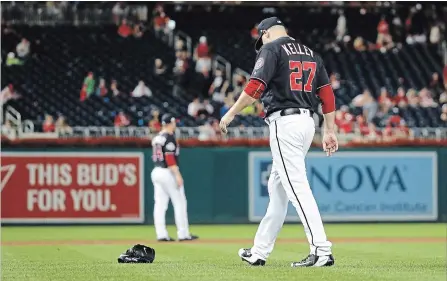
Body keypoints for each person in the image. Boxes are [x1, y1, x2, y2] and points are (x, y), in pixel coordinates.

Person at [219, 17, 337, 267]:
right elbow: (326, 94)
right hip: (307, 123)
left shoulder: (271, 48)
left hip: (285, 124)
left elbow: (255, 86)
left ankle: (322, 250)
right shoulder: (311, 53)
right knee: (278, 190)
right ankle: (259, 251)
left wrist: (231, 113)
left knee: (296, 188)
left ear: (267, 33)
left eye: (261, 37)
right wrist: (330, 130)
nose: (260, 42)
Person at [151, 114, 198, 242]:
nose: (175, 125)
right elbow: (169, 157)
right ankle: (183, 234)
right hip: (167, 172)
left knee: (160, 205)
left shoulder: (157, 137)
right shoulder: (169, 137)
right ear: (169, 123)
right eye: (173, 123)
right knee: (180, 203)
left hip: (157, 171)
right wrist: (177, 175)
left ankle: (161, 234)